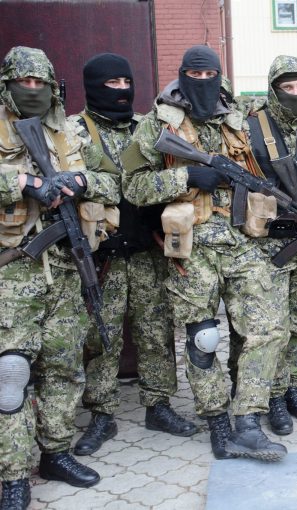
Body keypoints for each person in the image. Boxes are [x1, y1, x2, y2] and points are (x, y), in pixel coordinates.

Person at [122, 45, 287, 461]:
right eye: (194, 76)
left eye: (209, 75)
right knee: (204, 338)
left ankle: (248, 421)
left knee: (268, 329)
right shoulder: (155, 124)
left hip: (241, 241)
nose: (202, 83)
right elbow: (133, 187)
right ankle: (217, 421)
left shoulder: (237, 120)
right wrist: (186, 175)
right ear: (182, 76)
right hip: (190, 247)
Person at [0, 46, 121, 507]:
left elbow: (115, 182)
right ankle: (13, 473)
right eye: (22, 83)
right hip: (14, 271)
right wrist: (29, 184)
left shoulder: (71, 131)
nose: (32, 90)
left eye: (41, 84)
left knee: (64, 368)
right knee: (11, 374)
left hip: (68, 268)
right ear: (7, 85)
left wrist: (82, 182)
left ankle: (55, 452)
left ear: (54, 87)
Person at [68, 53, 197, 457]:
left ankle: (158, 404)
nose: (123, 91)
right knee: (100, 337)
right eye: (112, 85)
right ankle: (102, 413)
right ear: (92, 86)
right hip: (101, 255)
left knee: (157, 332)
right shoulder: (73, 132)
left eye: (127, 83)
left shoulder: (149, 127)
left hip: (147, 251)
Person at [227, 55, 297, 436]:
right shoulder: (250, 123)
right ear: (273, 89)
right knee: (273, 328)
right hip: (266, 243)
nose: (294, 94)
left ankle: (293, 389)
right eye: (286, 88)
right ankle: (271, 396)